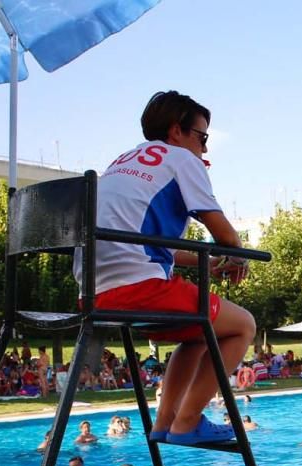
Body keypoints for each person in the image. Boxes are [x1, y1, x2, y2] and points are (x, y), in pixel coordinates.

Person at [87, 91, 254, 446]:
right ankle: (187, 421)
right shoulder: (180, 159)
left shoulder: (122, 163)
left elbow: (137, 243)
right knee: (242, 326)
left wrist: (206, 263)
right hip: (139, 289)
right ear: (177, 131)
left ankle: (165, 423)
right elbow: (225, 233)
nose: (205, 149)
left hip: (95, 294)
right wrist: (237, 255)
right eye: (202, 137)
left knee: (197, 335)